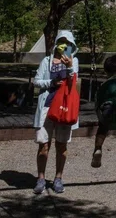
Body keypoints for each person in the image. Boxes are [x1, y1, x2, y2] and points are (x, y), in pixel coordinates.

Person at [33, 31, 80, 195]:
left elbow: (73, 81)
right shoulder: (46, 61)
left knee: (61, 145)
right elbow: (36, 81)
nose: (64, 46)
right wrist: (51, 82)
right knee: (43, 145)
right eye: (61, 42)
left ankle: (58, 178)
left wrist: (69, 66)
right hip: (47, 106)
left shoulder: (74, 61)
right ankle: (40, 178)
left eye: (67, 43)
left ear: (72, 46)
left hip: (64, 108)